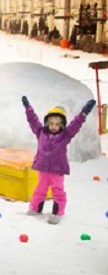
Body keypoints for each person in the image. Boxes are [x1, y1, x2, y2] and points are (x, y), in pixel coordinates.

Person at [22, 96, 96, 224]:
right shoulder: (40, 133)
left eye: (57, 124)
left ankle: (57, 213)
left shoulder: (65, 135)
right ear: (47, 123)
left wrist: (84, 113)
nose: (54, 126)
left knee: (58, 192)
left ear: (61, 124)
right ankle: (35, 208)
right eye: (51, 124)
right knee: (40, 189)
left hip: (57, 170)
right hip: (43, 169)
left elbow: (75, 124)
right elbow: (33, 120)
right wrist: (28, 108)